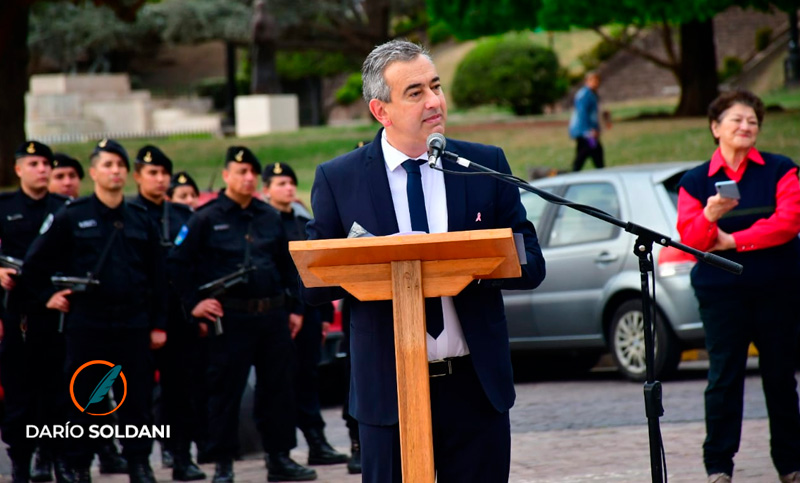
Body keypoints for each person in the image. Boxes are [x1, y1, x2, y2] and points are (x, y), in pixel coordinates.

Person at [300, 40, 546, 482]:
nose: (434, 101)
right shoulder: (339, 179)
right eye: (415, 92)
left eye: (436, 86)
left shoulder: (483, 165)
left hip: (474, 387)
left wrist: (462, 263)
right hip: (388, 393)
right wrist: (375, 262)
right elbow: (314, 285)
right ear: (381, 110)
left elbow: (531, 262)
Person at [23, 139, 168, 483]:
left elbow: (159, 277)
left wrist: (158, 324)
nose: (114, 171)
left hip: (133, 321)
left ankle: (138, 463)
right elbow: (34, 266)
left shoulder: (140, 218)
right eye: (107, 165)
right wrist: (47, 296)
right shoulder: (73, 216)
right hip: (88, 323)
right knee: (84, 400)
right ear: (94, 172)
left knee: (137, 400)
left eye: (120, 165)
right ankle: (78, 464)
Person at [167, 147, 316, 482]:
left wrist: (294, 308)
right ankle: (223, 463)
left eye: (252, 172)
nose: (248, 178)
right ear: (226, 176)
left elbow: (286, 266)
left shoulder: (269, 216)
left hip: (273, 317)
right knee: (225, 392)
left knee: (278, 390)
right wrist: (194, 303)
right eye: (241, 171)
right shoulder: (206, 217)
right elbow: (177, 263)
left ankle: (279, 458)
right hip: (231, 320)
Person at [676, 89, 800, 483]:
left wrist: (734, 240)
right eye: (737, 120)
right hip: (720, 292)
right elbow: (691, 239)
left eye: (753, 122)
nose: (746, 127)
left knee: (780, 375)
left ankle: (791, 464)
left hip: (778, 287)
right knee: (724, 376)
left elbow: (788, 222)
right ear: (716, 128)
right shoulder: (696, 181)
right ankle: (718, 467)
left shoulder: (781, 169)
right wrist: (710, 215)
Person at [261, 162, 348, 468]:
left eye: (290, 182)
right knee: (281, 382)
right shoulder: (264, 221)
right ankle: (279, 452)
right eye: (280, 182)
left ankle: (317, 442)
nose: (286, 188)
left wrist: (324, 315)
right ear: (266, 189)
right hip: (279, 315)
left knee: (308, 378)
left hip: (307, 312)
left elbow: (317, 268)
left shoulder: (301, 219)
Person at [130, 146, 205, 481]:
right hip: (139, 319)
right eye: (152, 173)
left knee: (180, 392)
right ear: (138, 176)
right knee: (139, 397)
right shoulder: (129, 213)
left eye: (164, 174)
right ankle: (141, 461)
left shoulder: (181, 215)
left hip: (178, 318)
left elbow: (195, 264)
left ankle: (180, 456)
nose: (160, 180)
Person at [0, 141, 70, 483]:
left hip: (58, 314)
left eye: (46, 163)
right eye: (33, 163)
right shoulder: (5, 206)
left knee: (58, 393)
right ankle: (21, 464)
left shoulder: (65, 208)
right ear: (18, 169)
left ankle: (56, 458)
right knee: (19, 394)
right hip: (20, 315)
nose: (41, 169)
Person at [568, 71, 605, 172]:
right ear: (587, 81)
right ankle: (575, 173)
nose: (595, 83)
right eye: (593, 80)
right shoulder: (585, 95)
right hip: (585, 132)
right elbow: (582, 113)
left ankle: (575, 172)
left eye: (597, 80)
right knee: (592, 150)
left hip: (588, 131)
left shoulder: (592, 94)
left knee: (589, 151)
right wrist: (588, 131)